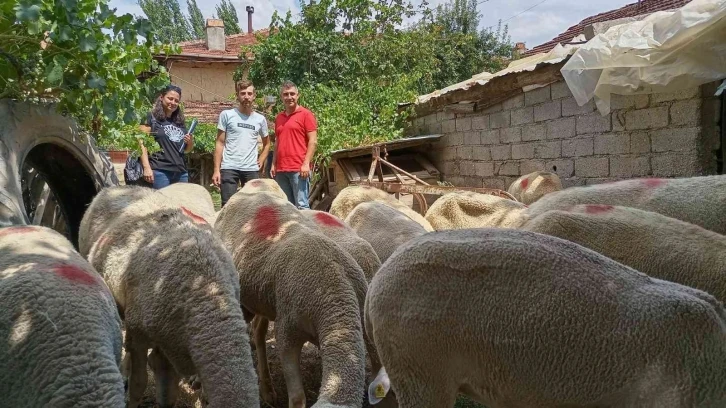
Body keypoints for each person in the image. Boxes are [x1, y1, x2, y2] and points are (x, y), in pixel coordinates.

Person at [212, 80, 270, 207]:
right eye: (243, 93)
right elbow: (220, 143)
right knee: (228, 206)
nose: (246, 97)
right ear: (237, 95)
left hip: (251, 169)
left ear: (254, 96)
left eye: (249, 93)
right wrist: (216, 170)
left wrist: (261, 158)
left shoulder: (260, 119)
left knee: (252, 207)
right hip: (229, 167)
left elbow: (267, 143)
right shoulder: (227, 115)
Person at [271, 81, 318, 209]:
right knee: (286, 208)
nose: (289, 97)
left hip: (299, 169)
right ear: (281, 97)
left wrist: (306, 163)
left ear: (298, 95)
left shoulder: (306, 115)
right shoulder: (279, 117)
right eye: (286, 94)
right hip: (281, 171)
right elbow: (277, 142)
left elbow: (313, 141)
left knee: (302, 206)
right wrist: (274, 163)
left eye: (292, 94)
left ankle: (306, 230)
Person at [138, 84, 193, 189]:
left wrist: (190, 141)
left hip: (181, 173)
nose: (173, 102)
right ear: (162, 97)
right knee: (161, 205)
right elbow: (141, 142)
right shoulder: (151, 117)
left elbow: (187, 150)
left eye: (176, 101)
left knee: (180, 205)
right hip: (160, 172)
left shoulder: (180, 123)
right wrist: (146, 167)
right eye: (170, 98)